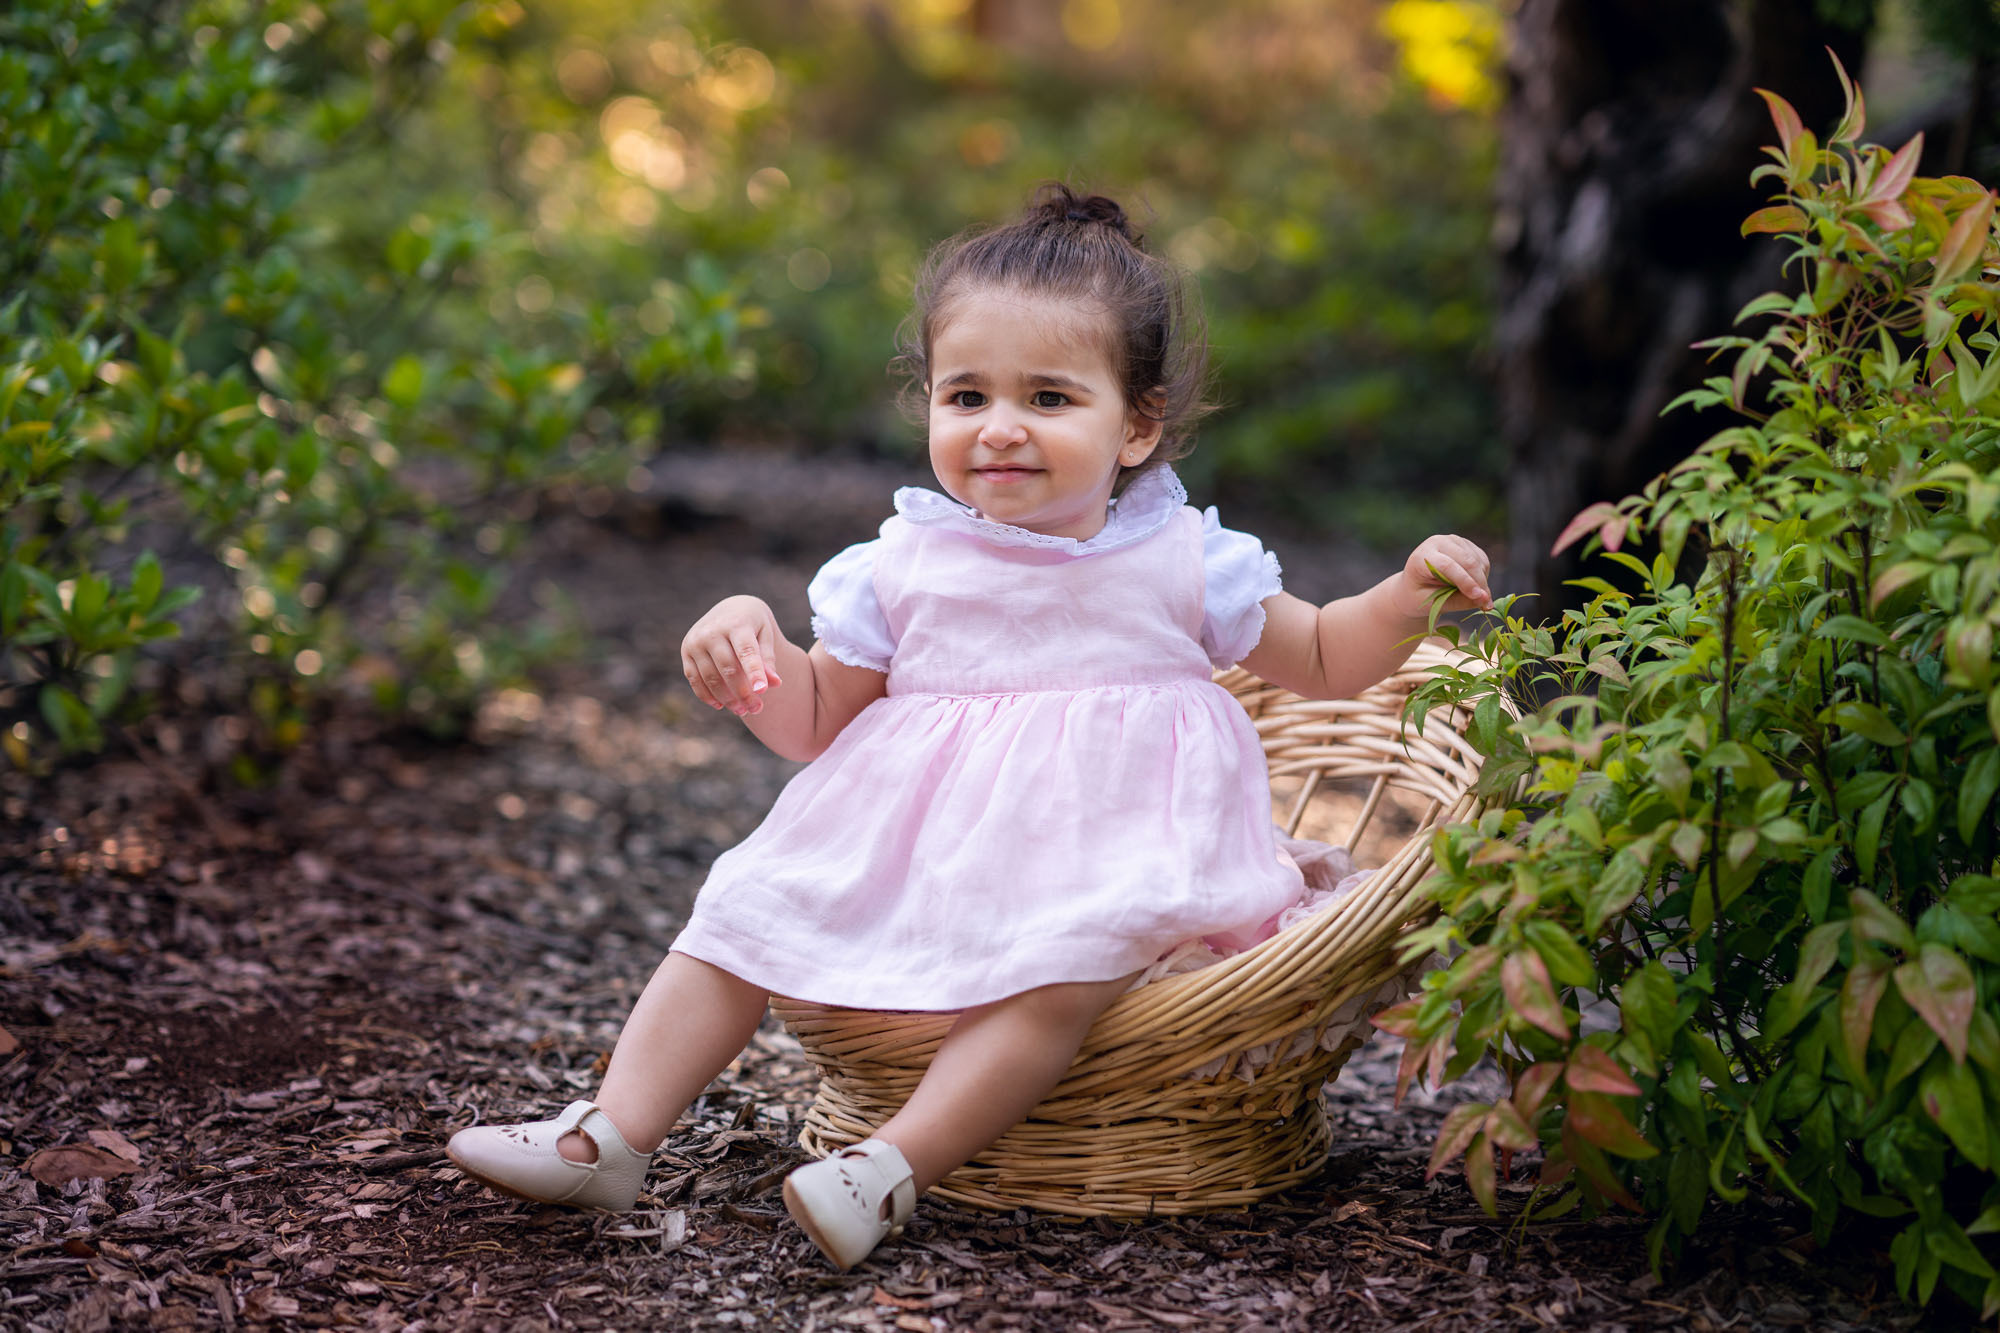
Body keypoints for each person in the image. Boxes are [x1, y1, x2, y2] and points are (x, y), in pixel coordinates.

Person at [446, 184, 1492, 1269]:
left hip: (1110, 863)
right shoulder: (898, 565)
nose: (999, 427)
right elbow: (814, 723)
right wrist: (749, 645)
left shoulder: (1185, 560)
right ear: (930, 408)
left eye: (1047, 397)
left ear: (1134, 424)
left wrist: (1408, 593)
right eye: (965, 395)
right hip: (925, 862)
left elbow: (1324, 658)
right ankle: (611, 1134)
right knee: (741, 906)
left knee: (1058, 974)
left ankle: (888, 1169)